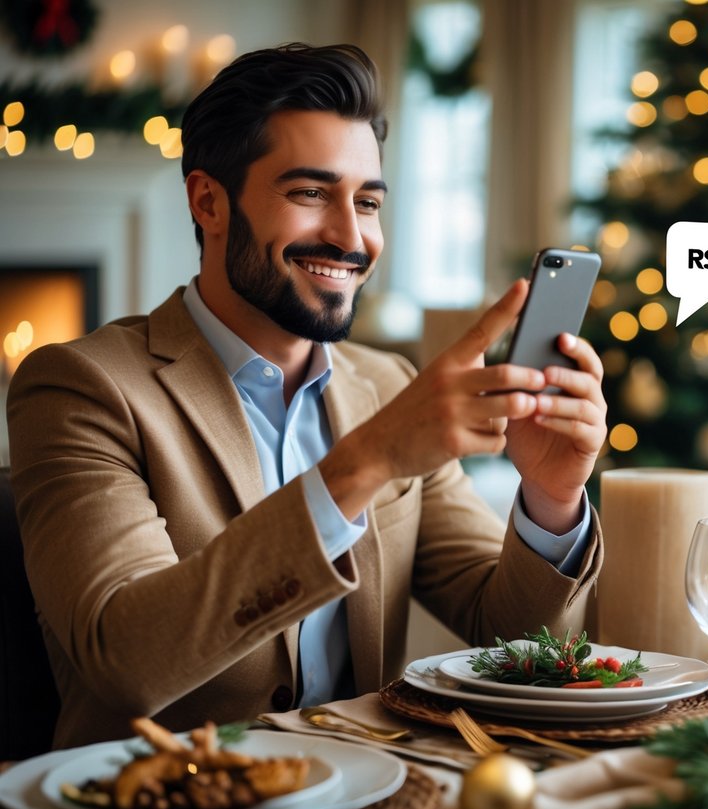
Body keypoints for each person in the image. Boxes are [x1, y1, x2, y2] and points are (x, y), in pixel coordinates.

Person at [6, 43, 607, 749]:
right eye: (310, 193)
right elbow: (128, 661)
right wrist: (368, 462)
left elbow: (515, 640)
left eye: (369, 202)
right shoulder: (81, 387)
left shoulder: (387, 385)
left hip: (370, 801)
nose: (352, 238)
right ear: (209, 201)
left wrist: (552, 497)